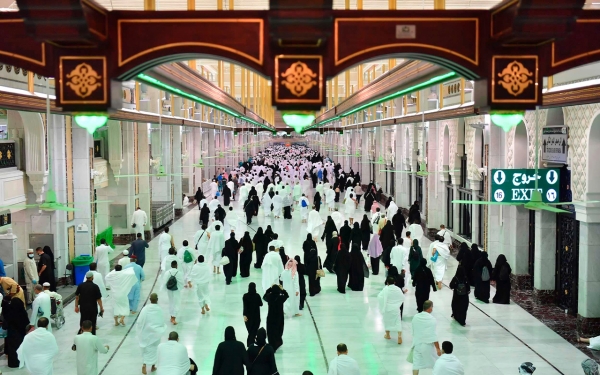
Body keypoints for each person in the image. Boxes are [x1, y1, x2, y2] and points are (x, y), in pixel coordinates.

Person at [136, 293, 167, 374]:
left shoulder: (145, 309)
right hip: (155, 335)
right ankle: (153, 366)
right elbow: (161, 322)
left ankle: (144, 365)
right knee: (154, 349)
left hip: (146, 334)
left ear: (150, 299)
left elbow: (139, 321)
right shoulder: (159, 309)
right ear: (157, 299)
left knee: (146, 350)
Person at [411, 300, 440, 375]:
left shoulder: (416, 317)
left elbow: (414, 330)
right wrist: (438, 349)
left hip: (417, 344)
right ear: (430, 308)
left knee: (416, 364)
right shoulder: (432, 319)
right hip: (427, 346)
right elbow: (433, 335)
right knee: (436, 363)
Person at [2, 291, 29, 368]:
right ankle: (22, 361)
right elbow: (26, 321)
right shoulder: (22, 312)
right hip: (21, 333)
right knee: (21, 347)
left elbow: (5, 323)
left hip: (12, 334)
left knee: (12, 349)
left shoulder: (10, 313)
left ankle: (13, 363)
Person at [74, 271, 104, 335]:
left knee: (83, 320)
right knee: (92, 322)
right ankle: (92, 335)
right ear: (92, 277)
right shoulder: (95, 286)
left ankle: (82, 333)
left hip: (83, 307)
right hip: (92, 308)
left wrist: (76, 306)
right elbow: (99, 299)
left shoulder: (81, 285)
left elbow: (77, 297)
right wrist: (101, 308)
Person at [378, 276, 405, 344]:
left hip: (387, 309)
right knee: (398, 322)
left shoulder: (385, 289)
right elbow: (402, 297)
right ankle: (399, 336)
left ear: (387, 283)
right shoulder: (398, 289)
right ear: (394, 282)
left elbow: (380, 297)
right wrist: (397, 304)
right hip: (395, 309)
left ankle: (388, 335)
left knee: (387, 322)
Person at [263, 284, 289, 352]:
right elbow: (287, 295)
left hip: (271, 316)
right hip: (279, 316)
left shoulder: (269, 297)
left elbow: (264, 296)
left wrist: (270, 289)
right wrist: (282, 289)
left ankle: (272, 343)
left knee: (271, 330)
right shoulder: (280, 298)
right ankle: (278, 342)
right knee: (278, 329)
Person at [162, 260, 184, 325]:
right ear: (176, 266)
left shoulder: (167, 272)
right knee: (176, 303)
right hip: (176, 290)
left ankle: (171, 317)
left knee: (171, 302)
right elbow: (181, 282)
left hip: (169, 290)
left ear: (171, 266)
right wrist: (179, 288)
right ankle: (174, 318)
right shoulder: (179, 273)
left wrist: (166, 288)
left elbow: (164, 281)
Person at [243, 282, 263, 347]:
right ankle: (251, 344)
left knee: (251, 332)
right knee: (253, 332)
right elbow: (261, 304)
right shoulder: (257, 296)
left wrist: (244, 315)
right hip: (256, 317)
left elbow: (245, 306)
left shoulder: (245, 296)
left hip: (248, 317)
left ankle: (250, 344)